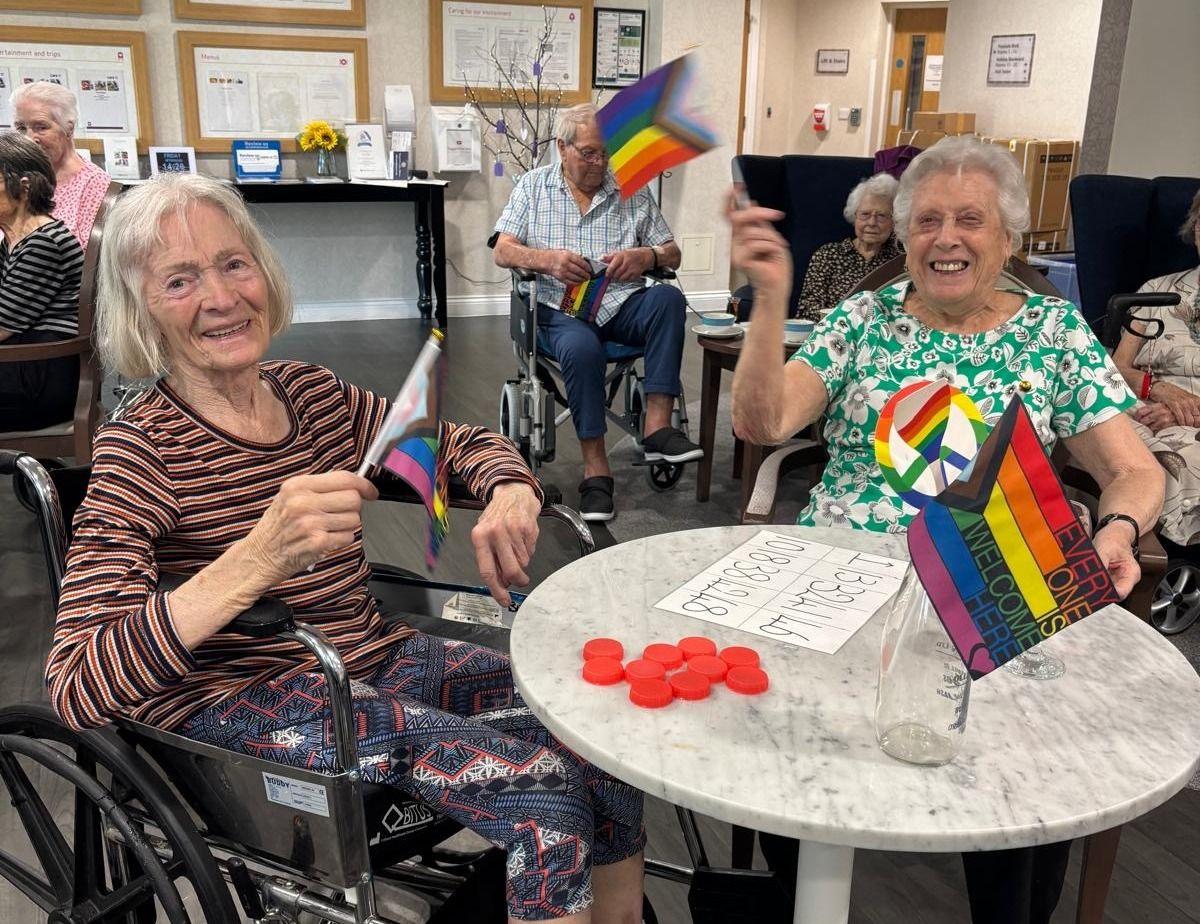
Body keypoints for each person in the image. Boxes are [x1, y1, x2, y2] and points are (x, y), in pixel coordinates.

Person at [46, 174, 645, 924]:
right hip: (238, 702)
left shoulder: (312, 397)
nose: (223, 297)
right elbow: (76, 681)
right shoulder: (140, 453)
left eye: (235, 264)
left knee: (596, 734)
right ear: (142, 310)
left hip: (367, 657)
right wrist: (255, 561)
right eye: (180, 280)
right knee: (540, 793)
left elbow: (450, 446)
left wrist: (510, 488)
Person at [729, 135, 1163, 924]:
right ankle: (804, 897)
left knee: (1028, 778)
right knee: (779, 738)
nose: (947, 238)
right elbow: (766, 419)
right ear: (903, 234)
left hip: (999, 584)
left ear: (1009, 238)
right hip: (845, 577)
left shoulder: (1054, 333)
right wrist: (767, 301)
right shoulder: (862, 319)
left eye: (971, 219)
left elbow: (1135, 471)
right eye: (927, 220)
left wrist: (1118, 530)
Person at [492, 103, 701, 523]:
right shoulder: (533, 188)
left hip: (619, 302)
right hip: (557, 309)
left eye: (606, 153)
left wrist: (645, 256)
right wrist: (548, 260)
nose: (599, 162)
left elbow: (672, 254)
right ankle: (595, 469)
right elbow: (503, 250)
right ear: (562, 147)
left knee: (668, 299)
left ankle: (657, 428)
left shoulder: (632, 190)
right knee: (582, 346)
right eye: (589, 153)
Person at [1112, 188, 1200, 545]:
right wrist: (1156, 389)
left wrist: (1184, 412)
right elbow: (1117, 367)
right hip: (1143, 408)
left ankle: (1143, 558)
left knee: (1162, 467)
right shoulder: (1157, 289)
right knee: (1100, 440)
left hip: (1192, 426)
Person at [0, 131, 84, 431]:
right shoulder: (15, 238)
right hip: (23, 369)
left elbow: (2, 326)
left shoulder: (43, 244)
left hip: (39, 382)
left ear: (22, 188)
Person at [11, 80, 112, 248]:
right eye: (21, 128)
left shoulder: (95, 185)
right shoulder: (14, 178)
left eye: (41, 127)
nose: (28, 138)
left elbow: (91, 262)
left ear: (68, 128)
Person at [794, 172, 901, 321]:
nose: (872, 222)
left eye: (882, 216)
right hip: (832, 334)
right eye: (865, 214)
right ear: (854, 216)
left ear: (894, 221)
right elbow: (807, 311)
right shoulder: (828, 255)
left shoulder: (900, 262)